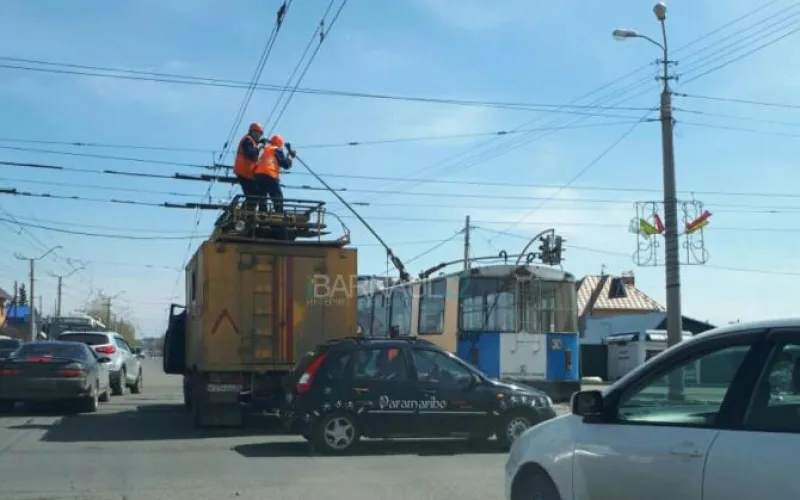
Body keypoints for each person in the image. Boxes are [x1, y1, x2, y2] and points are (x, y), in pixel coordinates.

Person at [253, 134, 293, 214]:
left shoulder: (266, 149)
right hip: (270, 174)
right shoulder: (276, 149)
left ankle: (262, 213)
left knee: (262, 196)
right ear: (280, 143)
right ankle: (279, 213)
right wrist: (290, 157)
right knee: (277, 196)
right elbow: (285, 164)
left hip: (259, 175)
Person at [233, 122, 264, 213]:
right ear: (251, 132)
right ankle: (245, 213)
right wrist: (259, 147)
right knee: (254, 195)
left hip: (247, 173)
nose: (258, 135)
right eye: (256, 132)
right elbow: (250, 154)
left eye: (259, 134)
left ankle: (246, 212)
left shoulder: (252, 142)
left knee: (254, 194)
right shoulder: (248, 140)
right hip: (244, 172)